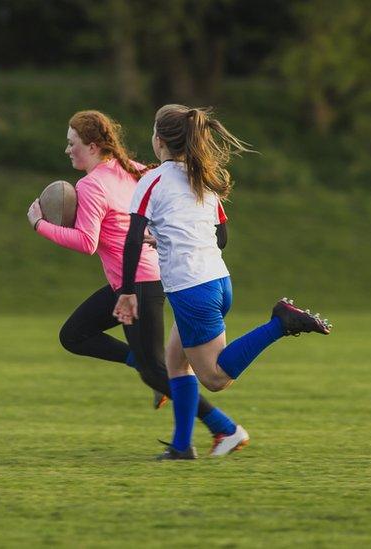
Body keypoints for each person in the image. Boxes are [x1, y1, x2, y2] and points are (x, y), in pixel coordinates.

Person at [114, 105, 332, 460]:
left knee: (215, 379)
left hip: (190, 289)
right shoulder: (203, 179)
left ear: (159, 140)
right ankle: (182, 447)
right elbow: (221, 237)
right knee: (175, 360)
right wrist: (170, 238)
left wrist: (126, 292)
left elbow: (132, 239)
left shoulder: (152, 181)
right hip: (216, 280)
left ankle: (280, 323)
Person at [27, 110, 248, 455]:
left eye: (72, 144)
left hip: (138, 284)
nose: (67, 150)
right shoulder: (133, 167)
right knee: (75, 336)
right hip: (146, 279)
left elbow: (86, 241)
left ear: (93, 145)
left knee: (159, 370)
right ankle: (147, 366)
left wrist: (40, 224)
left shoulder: (91, 184)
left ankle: (225, 428)